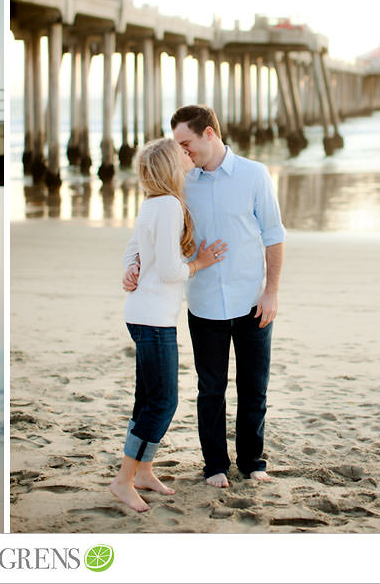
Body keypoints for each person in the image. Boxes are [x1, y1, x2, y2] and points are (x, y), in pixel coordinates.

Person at [123, 105, 286, 488]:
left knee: (254, 387)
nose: (183, 151)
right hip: (203, 303)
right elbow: (146, 229)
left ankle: (252, 461)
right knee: (210, 389)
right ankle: (214, 465)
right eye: (178, 145)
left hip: (251, 300)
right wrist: (131, 264)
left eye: (187, 143)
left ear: (209, 134)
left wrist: (271, 292)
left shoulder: (254, 175)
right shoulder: (181, 182)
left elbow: (274, 235)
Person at [110, 138, 228, 512]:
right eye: (180, 152)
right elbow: (170, 270)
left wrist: (131, 268)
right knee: (163, 402)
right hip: (152, 318)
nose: (187, 153)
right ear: (170, 166)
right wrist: (202, 262)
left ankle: (142, 472)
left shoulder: (154, 204)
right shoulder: (170, 206)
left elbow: (134, 249)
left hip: (145, 314)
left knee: (148, 399)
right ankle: (123, 480)